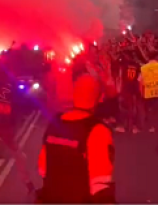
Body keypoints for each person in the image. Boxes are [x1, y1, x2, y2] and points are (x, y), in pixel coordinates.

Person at [36, 75, 115, 204]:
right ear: (100, 98)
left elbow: (42, 170)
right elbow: (101, 186)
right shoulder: (98, 130)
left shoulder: (54, 124)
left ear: (73, 95)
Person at [0, 51, 34, 195]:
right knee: (16, 151)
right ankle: (27, 181)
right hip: (5, 125)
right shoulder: (11, 82)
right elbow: (17, 103)